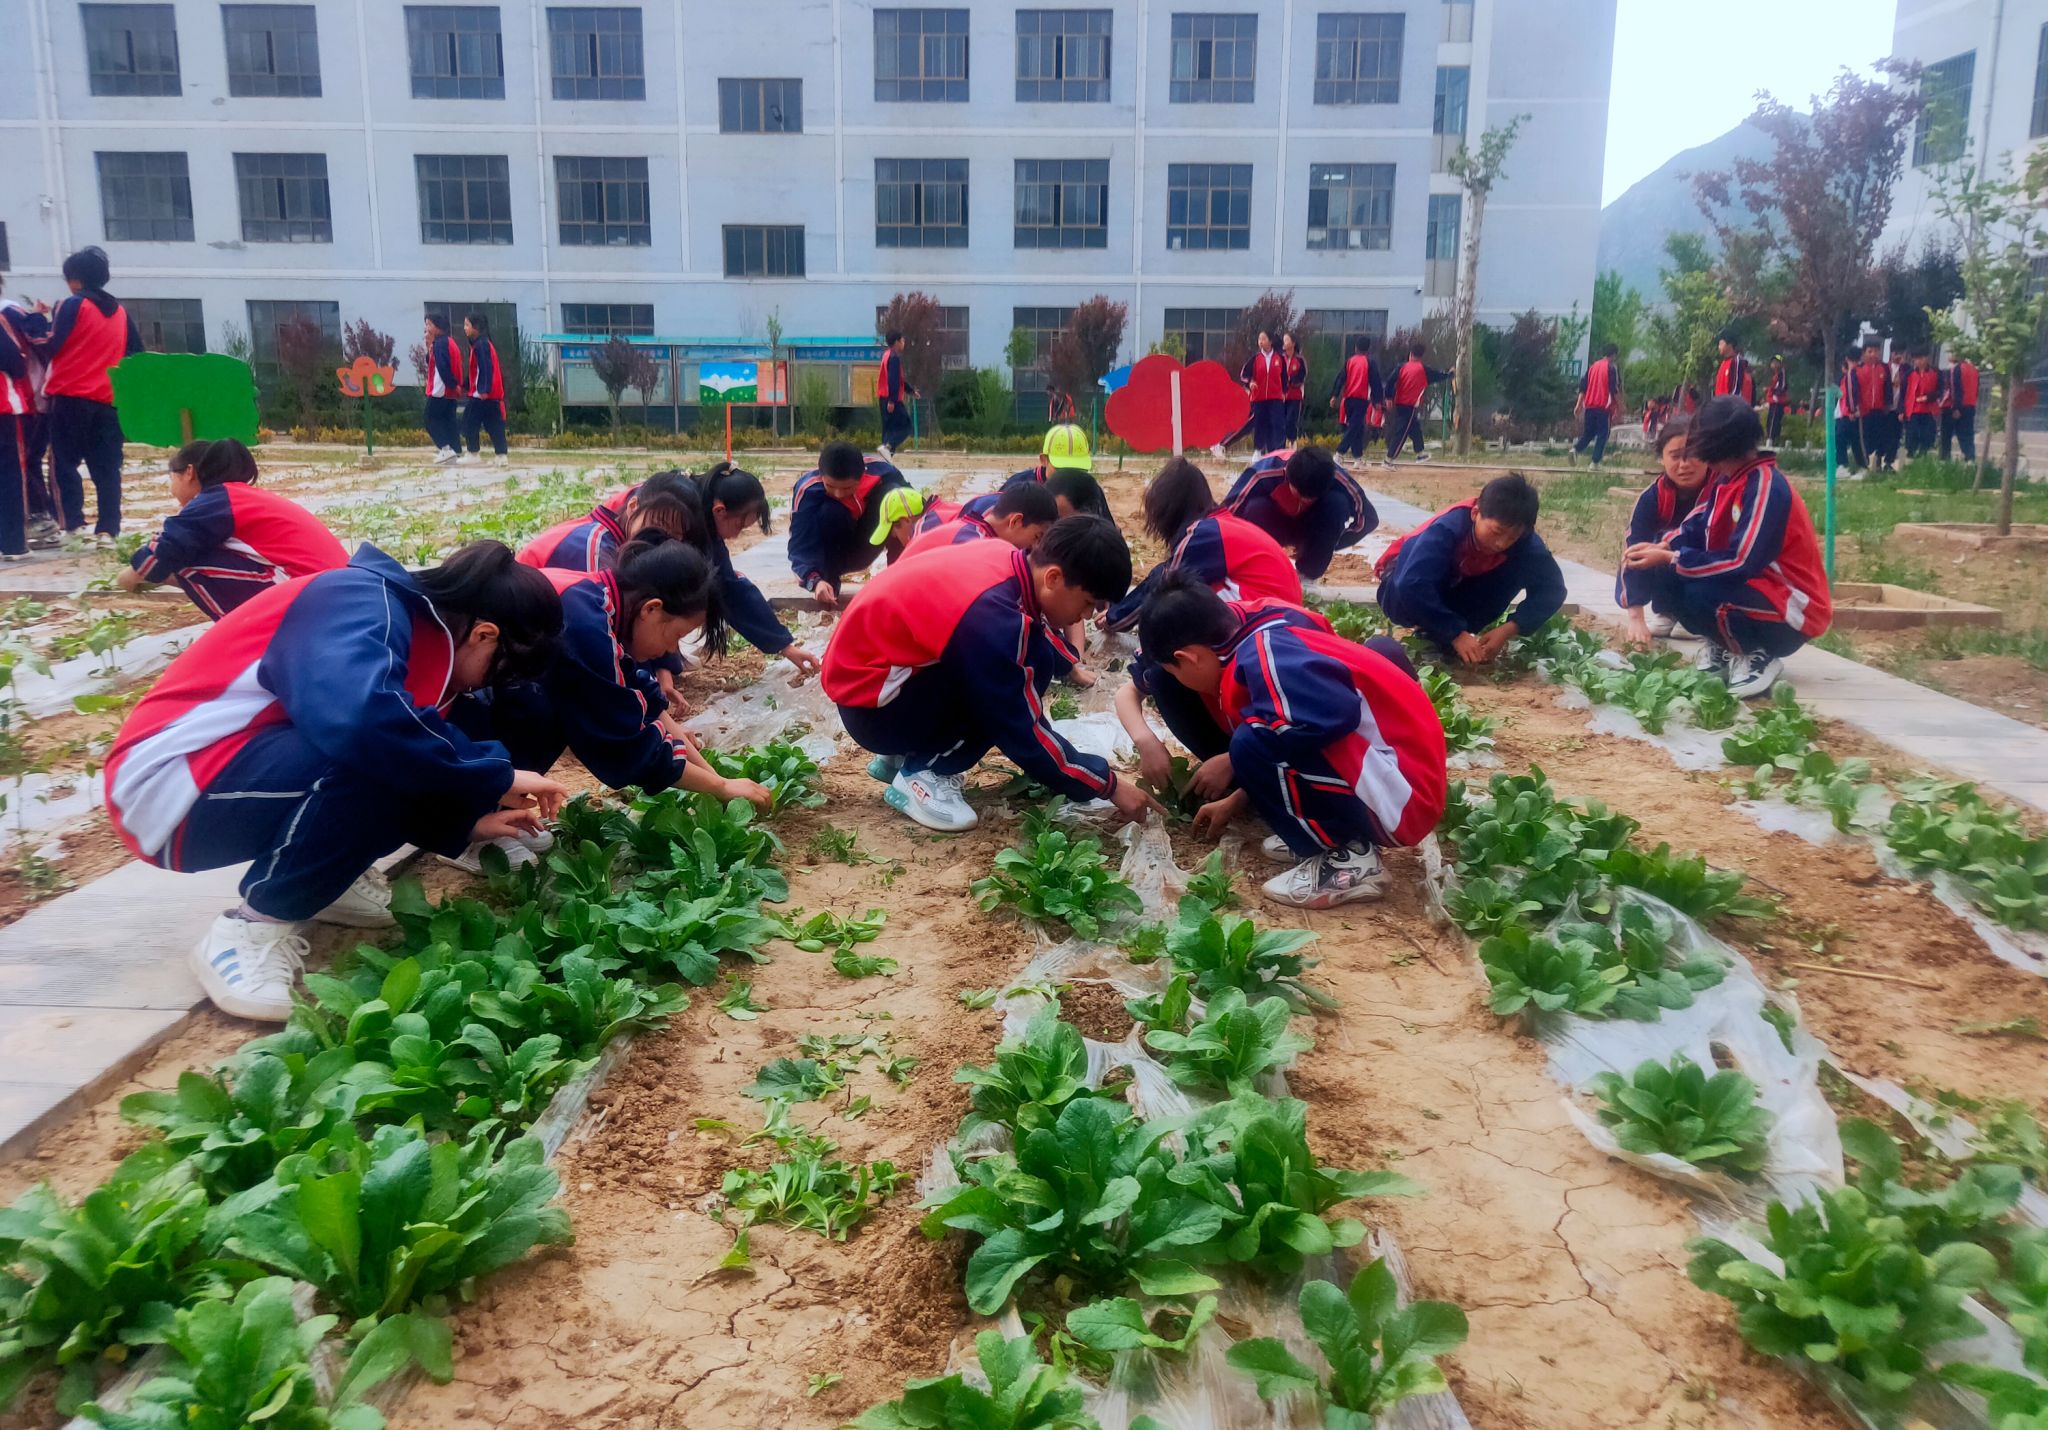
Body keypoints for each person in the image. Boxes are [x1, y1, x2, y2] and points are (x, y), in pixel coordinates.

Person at [103, 542, 568, 1021]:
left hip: (231, 774)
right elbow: (358, 724)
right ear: (485, 634)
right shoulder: (359, 599)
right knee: (382, 747)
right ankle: (248, 930)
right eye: (497, 672)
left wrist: (466, 824)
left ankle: (327, 883)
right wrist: (493, 775)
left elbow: (404, 762)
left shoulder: (423, 637)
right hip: (167, 786)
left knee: (408, 751)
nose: (484, 687)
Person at [449, 534, 774, 870]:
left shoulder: (600, 601)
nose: (669, 651)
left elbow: (646, 703)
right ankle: (468, 824)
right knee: (541, 707)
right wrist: (720, 787)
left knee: (556, 703)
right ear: (651, 609)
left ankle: (492, 812)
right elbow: (628, 745)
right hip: (449, 712)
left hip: (469, 702)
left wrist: (719, 781)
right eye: (675, 636)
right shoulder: (585, 623)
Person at [1135, 570, 1447, 910]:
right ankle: (1326, 836)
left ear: (1188, 658)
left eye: (1174, 672)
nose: (1178, 680)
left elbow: (1336, 713)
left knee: (1252, 742)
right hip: (1401, 776)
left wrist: (1238, 759)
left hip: (1405, 798)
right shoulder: (1260, 630)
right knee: (1262, 736)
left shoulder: (1265, 658)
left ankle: (1350, 857)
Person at [823, 517, 1158, 832]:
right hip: (874, 713)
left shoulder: (1004, 556)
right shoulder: (993, 617)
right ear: (1054, 578)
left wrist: (1068, 661)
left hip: (873, 686)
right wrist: (1106, 785)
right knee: (1008, 685)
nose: (1084, 617)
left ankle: (898, 757)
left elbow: (1036, 635)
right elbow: (1018, 727)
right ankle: (923, 774)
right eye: (1086, 603)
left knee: (1031, 658)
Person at [1620, 396, 1831, 700]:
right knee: (1666, 576)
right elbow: (1698, 524)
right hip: (1755, 591)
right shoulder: (1727, 480)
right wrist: (1665, 546)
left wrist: (1672, 557)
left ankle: (1755, 653)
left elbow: (1741, 562)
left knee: (1700, 590)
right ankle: (1723, 644)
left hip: (1790, 610)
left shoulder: (1765, 487)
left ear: (1716, 445)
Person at [118, 439, 347, 618]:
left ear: (188, 472)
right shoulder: (240, 497)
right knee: (188, 554)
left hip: (310, 594)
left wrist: (132, 574)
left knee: (183, 556)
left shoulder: (217, 500)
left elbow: (166, 550)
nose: (172, 487)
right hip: (337, 588)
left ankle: (248, 638)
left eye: (172, 478)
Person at [1374, 473, 1565, 667]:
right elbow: (1411, 584)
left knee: (1516, 567)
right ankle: (1436, 633)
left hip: (1459, 584)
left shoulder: (1527, 544)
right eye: (1496, 532)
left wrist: (1510, 628)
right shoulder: (1446, 529)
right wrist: (1455, 633)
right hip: (1398, 586)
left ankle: (1440, 638)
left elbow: (1552, 590)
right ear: (1475, 514)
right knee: (1409, 589)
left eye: (1512, 537)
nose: (1501, 543)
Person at [1104, 457, 1302, 633]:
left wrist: (1114, 619)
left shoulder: (1201, 535)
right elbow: (1164, 570)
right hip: (1284, 615)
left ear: (1170, 509)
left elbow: (1163, 586)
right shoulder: (1220, 526)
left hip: (1267, 620)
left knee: (1176, 599)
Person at [37, 247, 142, 543]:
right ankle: (108, 529)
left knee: (63, 462)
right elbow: (136, 353)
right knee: (107, 467)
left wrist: (36, 320)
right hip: (108, 400)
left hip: (70, 396)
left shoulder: (71, 304)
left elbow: (49, 342)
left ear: (74, 279)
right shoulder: (120, 312)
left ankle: (72, 525)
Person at [686, 462, 822, 676]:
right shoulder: (679, 518)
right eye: (739, 526)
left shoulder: (703, 519)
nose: (737, 535)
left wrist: (784, 646)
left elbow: (731, 588)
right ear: (719, 511)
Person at [1220, 444, 1378, 580]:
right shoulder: (1262, 473)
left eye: (1312, 498)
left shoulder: (1336, 476)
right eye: (1300, 495)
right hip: (1273, 526)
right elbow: (1225, 516)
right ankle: (1259, 570)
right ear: (1288, 477)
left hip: (1310, 528)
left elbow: (1368, 519)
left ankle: (1307, 576)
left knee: (1337, 503)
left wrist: (1329, 543)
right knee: (1256, 507)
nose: (1305, 500)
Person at [787, 440, 909, 608]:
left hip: (869, 541)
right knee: (830, 510)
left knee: (895, 496)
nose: (838, 494)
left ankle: (900, 581)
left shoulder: (883, 473)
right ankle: (828, 583)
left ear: (862, 476)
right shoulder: (808, 490)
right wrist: (813, 581)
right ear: (821, 475)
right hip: (835, 553)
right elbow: (799, 546)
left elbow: (916, 510)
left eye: (847, 488)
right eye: (830, 486)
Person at [1616, 423, 1708, 644]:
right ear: (1662, 459)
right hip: (1670, 574)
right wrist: (1636, 617)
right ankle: (1668, 611)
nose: (1684, 464)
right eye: (1675, 456)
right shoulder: (1653, 498)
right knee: (1650, 548)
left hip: (1709, 578)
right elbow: (1633, 551)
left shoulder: (1722, 492)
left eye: (1693, 454)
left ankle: (1699, 616)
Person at [518, 470, 701, 573]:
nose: (660, 539)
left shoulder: (619, 538)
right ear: (633, 506)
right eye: (658, 525)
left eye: (673, 537)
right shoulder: (596, 549)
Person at [0, 279, 56, 547]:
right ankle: (20, 535)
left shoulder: (11, 313)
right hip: (14, 404)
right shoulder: (9, 312)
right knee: (17, 467)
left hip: (24, 401)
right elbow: (14, 361)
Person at [902, 484, 1058, 558]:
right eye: (1037, 537)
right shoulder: (975, 547)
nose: (1035, 547)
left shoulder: (973, 529)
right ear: (1015, 521)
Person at [1214, 331, 1286, 457]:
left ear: (1270, 341)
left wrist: (1284, 392)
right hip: (1259, 398)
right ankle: (1256, 451)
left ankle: (1275, 454)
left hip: (1275, 399)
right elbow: (1244, 375)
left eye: (1263, 339)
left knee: (1276, 425)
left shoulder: (1279, 359)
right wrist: (1251, 382)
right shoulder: (1256, 359)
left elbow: (1284, 377)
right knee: (1256, 425)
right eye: (1259, 339)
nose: (1260, 342)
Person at [1383, 343, 1451, 465]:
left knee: (1415, 430)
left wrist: (1388, 397)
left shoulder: (1401, 367)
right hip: (1409, 405)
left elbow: (1390, 381)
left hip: (1399, 403)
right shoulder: (1424, 370)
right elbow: (1439, 376)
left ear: (1410, 354)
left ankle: (1420, 454)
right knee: (1402, 432)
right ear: (1421, 356)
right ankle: (1389, 460)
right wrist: (1450, 374)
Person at [459, 312, 509, 465]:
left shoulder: (481, 345)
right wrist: (465, 385)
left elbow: (486, 368)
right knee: (494, 425)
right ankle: (501, 455)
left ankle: (473, 453)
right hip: (490, 394)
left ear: (476, 327)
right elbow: (475, 371)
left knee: (468, 421)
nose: (464, 328)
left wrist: (483, 390)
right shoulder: (480, 344)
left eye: (467, 325)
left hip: (482, 395)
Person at [1328, 336, 1383, 462]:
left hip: (1348, 400)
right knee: (1354, 427)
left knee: (1357, 428)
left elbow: (1340, 379)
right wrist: (1377, 401)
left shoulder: (1349, 361)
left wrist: (1335, 395)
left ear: (1355, 348)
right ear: (1368, 349)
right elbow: (1376, 383)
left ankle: (1358, 458)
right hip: (1361, 400)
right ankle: (1340, 453)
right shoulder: (1369, 363)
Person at [422, 313, 467, 466]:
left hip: (442, 388)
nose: (426, 328)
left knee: (430, 419)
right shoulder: (447, 342)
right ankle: (455, 450)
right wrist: (429, 346)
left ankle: (445, 448)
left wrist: (452, 384)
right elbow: (432, 361)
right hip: (449, 390)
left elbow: (442, 366)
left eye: (429, 324)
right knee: (448, 420)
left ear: (438, 327)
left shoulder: (440, 343)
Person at [1572, 343, 1624, 468]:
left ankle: (1575, 450)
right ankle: (1595, 462)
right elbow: (1614, 389)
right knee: (1603, 434)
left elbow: (1583, 387)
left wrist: (1579, 404)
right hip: (1602, 406)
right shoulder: (1610, 368)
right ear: (1614, 354)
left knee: (1589, 433)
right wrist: (1620, 405)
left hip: (1589, 406)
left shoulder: (1592, 367)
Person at [1851, 342, 1895, 473]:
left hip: (1880, 410)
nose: (1873, 354)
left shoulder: (1884, 368)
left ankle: (1878, 463)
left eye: (1876, 351)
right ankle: (1865, 464)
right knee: (1865, 438)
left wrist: (1888, 404)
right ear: (1864, 353)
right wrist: (1854, 407)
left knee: (1880, 437)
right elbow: (1854, 391)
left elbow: (1888, 388)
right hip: (1864, 411)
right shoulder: (1857, 370)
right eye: (1870, 351)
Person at [877, 330, 917, 458]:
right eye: (902, 340)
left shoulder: (886, 355)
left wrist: (910, 391)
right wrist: (892, 400)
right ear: (896, 342)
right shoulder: (894, 358)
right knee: (906, 426)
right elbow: (893, 380)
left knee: (889, 429)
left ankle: (885, 460)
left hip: (884, 397)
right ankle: (888, 447)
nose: (904, 343)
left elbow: (899, 380)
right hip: (892, 399)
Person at [1900, 349, 1942, 460]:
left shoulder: (1936, 373)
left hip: (1929, 410)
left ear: (1927, 358)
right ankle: (1910, 455)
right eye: (1917, 359)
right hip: (1913, 409)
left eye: (1922, 358)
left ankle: (1923, 455)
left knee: (1927, 435)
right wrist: (1901, 410)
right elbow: (1903, 393)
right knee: (1912, 434)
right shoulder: (1909, 374)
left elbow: (1940, 391)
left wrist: (1928, 397)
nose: (1919, 361)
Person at [1940, 351, 1978, 464]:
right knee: (1967, 435)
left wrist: (1956, 407)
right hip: (1970, 405)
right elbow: (1976, 389)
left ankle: (1944, 460)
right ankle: (1970, 460)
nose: (1948, 356)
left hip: (1956, 406)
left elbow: (1955, 389)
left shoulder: (1956, 369)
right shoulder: (1974, 369)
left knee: (1946, 435)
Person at [1279, 333, 1308, 447]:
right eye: (1284, 340)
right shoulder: (1280, 358)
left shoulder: (1299, 360)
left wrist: (1290, 381)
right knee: (1280, 421)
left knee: (1291, 420)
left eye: (1287, 340)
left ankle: (1292, 442)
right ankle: (1280, 446)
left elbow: (1302, 376)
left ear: (1293, 343)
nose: (1284, 342)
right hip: (1281, 396)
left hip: (1295, 395)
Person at [1712, 334, 1754, 405]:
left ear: (1729, 345)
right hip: (1722, 406)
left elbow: (1736, 390)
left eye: (1721, 344)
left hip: (1732, 407)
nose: (1719, 347)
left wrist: (1730, 408)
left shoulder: (1737, 361)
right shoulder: (1724, 363)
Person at [1764, 356, 1790, 447]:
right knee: (1771, 420)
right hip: (1773, 400)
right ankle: (1771, 438)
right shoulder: (1775, 374)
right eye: (1772, 362)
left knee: (1774, 421)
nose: (1773, 364)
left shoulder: (1782, 373)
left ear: (1780, 364)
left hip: (1777, 401)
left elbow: (1783, 386)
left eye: (1776, 362)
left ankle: (1772, 439)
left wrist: (1776, 394)